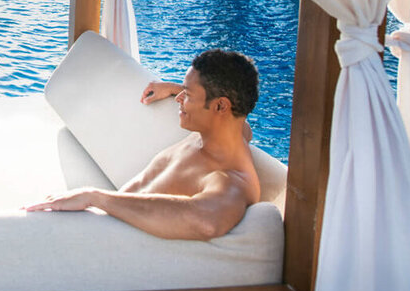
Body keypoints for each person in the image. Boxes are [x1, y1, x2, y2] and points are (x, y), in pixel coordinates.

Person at [26, 49, 259, 241]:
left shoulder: (229, 180)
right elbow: (236, 109)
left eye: (187, 95)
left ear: (219, 107)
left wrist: (94, 197)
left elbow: (205, 222)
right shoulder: (231, 131)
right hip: (100, 221)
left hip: (103, 242)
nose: (179, 100)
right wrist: (174, 87)